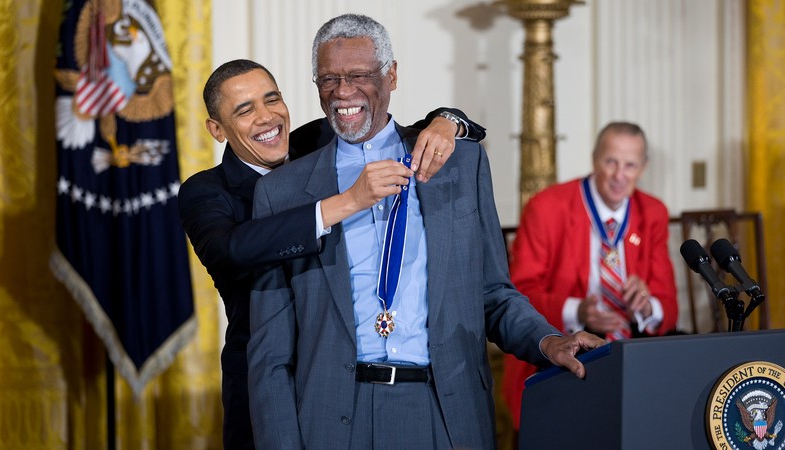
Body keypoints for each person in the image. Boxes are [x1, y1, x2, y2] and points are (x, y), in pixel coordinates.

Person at [247, 13, 605, 449]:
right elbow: (270, 355)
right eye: (329, 79)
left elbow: (493, 293)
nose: (343, 92)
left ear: (391, 75)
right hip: (332, 420)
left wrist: (548, 341)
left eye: (359, 75)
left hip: (444, 411)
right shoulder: (281, 193)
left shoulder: (460, 165)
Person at [177, 58, 486, 449]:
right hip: (268, 388)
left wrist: (448, 121)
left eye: (272, 99)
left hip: (351, 383)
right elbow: (232, 248)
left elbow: (399, 131)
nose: (266, 117)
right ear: (217, 130)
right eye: (244, 110)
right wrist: (348, 201)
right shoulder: (205, 191)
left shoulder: (317, 141)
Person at [501, 121, 678, 434]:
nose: (619, 175)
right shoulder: (547, 207)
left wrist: (647, 305)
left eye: (630, 165)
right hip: (561, 352)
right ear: (595, 158)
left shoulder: (653, 212)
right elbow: (518, 295)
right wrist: (577, 310)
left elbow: (668, 306)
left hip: (632, 353)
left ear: (643, 167)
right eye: (611, 162)